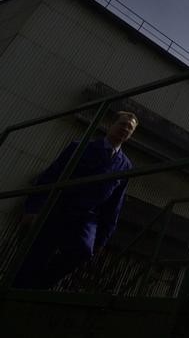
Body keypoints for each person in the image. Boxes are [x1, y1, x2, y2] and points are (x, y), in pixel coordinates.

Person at [12, 111, 138, 289]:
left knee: (84, 251)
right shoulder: (81, 146)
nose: (125, 129)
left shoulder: (125, 166)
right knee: (36, 254)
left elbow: (114, 205)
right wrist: (33, 208)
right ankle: (16, 290)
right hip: (59, 207)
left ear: (131, 135)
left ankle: (39, 285)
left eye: (130, 128)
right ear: (110, 125)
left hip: (86, 217)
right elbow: (51, 176)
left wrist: (102, 239)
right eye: (122, 124)